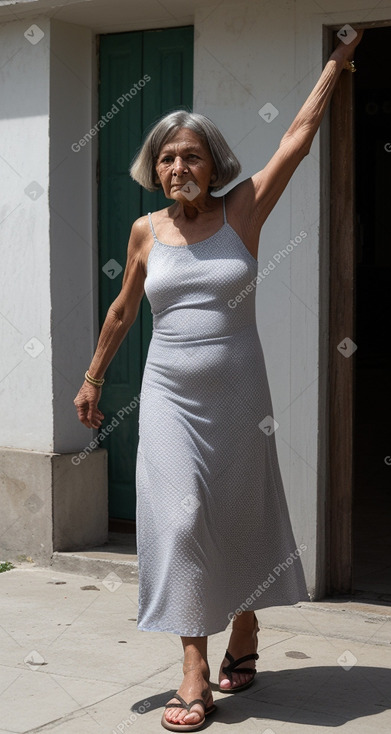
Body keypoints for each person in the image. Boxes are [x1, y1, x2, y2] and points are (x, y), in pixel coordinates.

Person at [74, 28, 363, 732]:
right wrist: (91, 379)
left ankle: (245, 628)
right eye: (167, 157)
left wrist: (335, 61)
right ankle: (193, 669)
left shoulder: (244, 210)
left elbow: (297, 136)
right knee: (177, 521)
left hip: (239, 394)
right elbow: (121, 309)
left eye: (191, 155)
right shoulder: (145, 230)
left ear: (213, 165)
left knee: (234, 513)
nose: (179, 166)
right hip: (170, 395)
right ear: (156, 168)